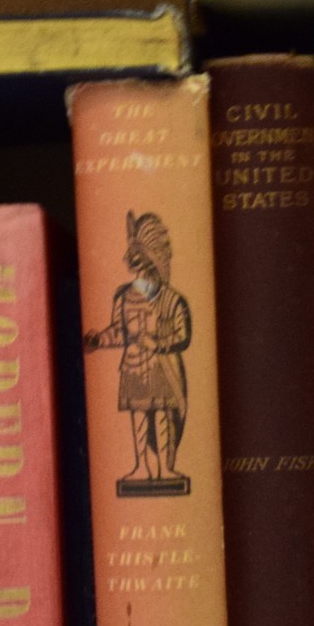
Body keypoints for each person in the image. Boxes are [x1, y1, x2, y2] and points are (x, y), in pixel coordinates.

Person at [81, 209, 192, 493]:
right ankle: (142, 465)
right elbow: (118, 331)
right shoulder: (123, 296)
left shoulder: (171, 299)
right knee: (140, 416)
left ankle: (166, 467)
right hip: (132, 365)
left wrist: (159, 344)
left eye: (138, 253)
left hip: (161, 367)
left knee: (164, 414)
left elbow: (182, 335)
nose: (131, 259)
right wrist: (98, 340)